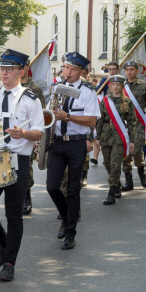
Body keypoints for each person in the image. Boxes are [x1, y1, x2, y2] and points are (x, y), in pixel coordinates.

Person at [0, 49, 43, 281]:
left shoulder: (30, 99)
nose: (3, 73)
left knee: (14, 215)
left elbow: (38, 133)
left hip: (17, 160)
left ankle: (10, 262)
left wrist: (23, 132)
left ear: (21, 72)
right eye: (2, 69)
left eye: (9, 69)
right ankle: (3, 244)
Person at [46, 52, 100, 251]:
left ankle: (70, 233)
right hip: (58, 143)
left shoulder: (88, 91)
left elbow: (92, 120)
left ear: (81, 72)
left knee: (73, 189)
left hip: (77, 143)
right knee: (52, 186)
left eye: (73, 69)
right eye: (66, 68)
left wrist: (67, 116)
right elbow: (47, 114)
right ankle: (67, 215)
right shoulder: (55, 87)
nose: (67, 72)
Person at [95, 75, 136, 205]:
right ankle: (117, 184)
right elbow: (100, 120)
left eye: (118, 84)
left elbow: (131, 122)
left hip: (119, 136)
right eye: (113, 84)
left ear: (122, 86)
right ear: (110, 86)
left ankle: (111, 193)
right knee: (107, 164)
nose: (116, 86)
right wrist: (97, 138)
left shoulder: (127, 102)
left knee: (115, 164)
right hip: (106, 135)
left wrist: (132, 140)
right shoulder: (105, 101)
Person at [120, 61, 146, 192]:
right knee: (126, 152)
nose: (129, 72)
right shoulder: (120, 86)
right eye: (127, 69)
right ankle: (129, 181)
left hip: (138, 123)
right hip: (123, 124)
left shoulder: (144, 86)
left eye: (132, 69)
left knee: (136, 150)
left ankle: (142, 172)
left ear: (137, 71)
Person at [20, 58, 45, 215]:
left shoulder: (34, 88)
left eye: (22, 67)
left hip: (29, 134)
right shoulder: (10, 87)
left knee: (26, 167)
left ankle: (26, 197)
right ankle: (19, 196)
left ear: (27, 67)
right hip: (13, 133)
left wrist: (37, 139)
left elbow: (41, 114)